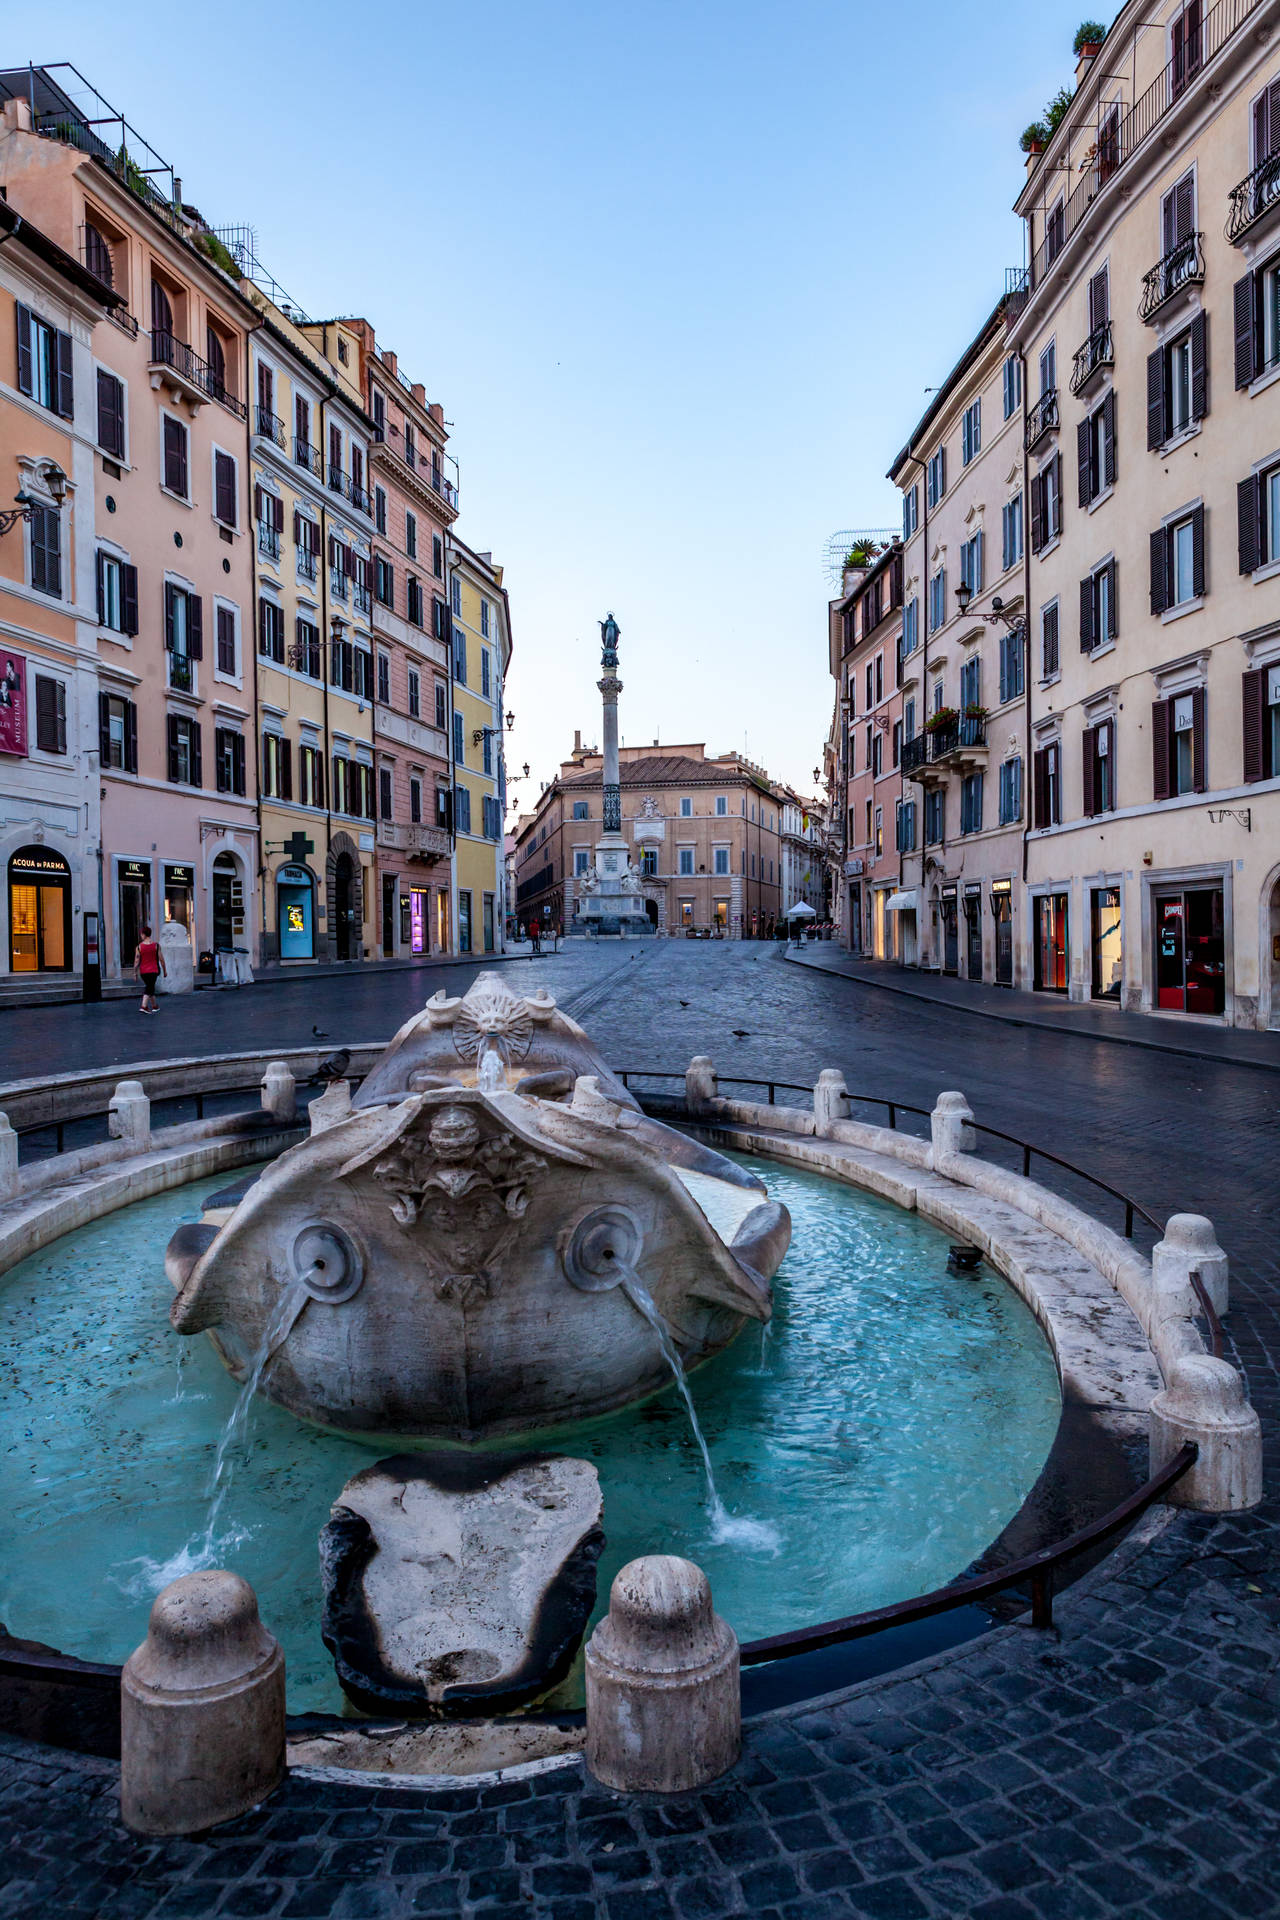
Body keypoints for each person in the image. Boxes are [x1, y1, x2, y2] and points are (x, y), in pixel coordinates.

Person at [134, 924, 165, 1013]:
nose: (141, 936)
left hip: (143, 972)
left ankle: (155, 1006)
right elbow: (161, 960)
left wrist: (135, 973)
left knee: (150, 987)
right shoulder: (156, 946)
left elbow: (136, 961)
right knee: (149, 987)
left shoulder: (139, 947)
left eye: (141, 934)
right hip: (153, 971)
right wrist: (165, 970)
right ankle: (143, 1006)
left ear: (144, 934)